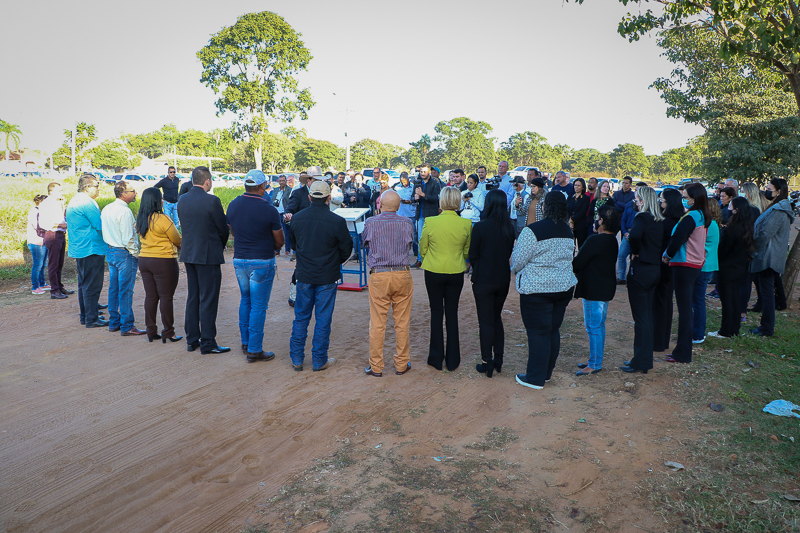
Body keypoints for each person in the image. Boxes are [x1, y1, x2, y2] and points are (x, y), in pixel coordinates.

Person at [512, 192, 577, 389]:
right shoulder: (567, 230)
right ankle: (546, 374)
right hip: (563, 288)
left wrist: (516, 270)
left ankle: (535, 378)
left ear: (544, 208)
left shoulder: (532, 230)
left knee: (538, 333)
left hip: (537, 290)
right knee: (552, 331)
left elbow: (518, 262)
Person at [288, 181, 353, 371]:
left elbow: (294, 245)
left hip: (305, 275)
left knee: (301, 318)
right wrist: (333, 261)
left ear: (309, 197)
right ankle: (318, 360)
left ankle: (297, 359)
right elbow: (346, 249)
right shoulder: (336, 221)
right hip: (327, 276)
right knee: (323, 319)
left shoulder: (297, 219)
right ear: (328, 198)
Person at [226, 170, 285, 362]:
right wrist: (273, 248)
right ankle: (254, 349)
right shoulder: (268, 209)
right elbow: (279, 240)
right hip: (261, 260)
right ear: (262, 186)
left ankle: (246, 342)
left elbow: (233, 231)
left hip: (240, 259)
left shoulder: (233, 205)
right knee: (259, 306)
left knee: (246, 300)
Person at [177, 166, 231, 354]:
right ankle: (208, 342)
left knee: (193, 296)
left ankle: (192, 339)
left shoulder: (182, 199)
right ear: (207, 181)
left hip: (189, 253)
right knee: (208, 298)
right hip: (207, 255)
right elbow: (223, 229)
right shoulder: (212, 201)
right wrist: (220, 244)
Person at [362, 190, 414, 377]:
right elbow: (410, 245)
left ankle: (376, 366)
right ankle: (401, 363)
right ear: (399, 206)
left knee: (377, 323)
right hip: (402, 274)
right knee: (402, 322)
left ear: (380, 204)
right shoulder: (407, 222)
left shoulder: (370, 222)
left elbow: (365, 244)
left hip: (379, 275)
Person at [420, 186, 472, 372]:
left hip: (433, 270)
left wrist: (428, 258)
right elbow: (467, 250)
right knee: (452, 313)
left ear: (441, 201)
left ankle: (435, 358)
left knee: (436, 312)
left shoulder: (430, 221)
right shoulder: (466, 223)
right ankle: (452, 359)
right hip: (455, 271)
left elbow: (422, 247)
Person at [469, 189, 516, 377]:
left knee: (486, 321)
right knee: (496, 318)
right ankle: (498, 359)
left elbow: (472, 255)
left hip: (483, 279)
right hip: (502, 278)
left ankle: (486, 361)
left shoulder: (481, 227)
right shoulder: (509, 228)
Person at [663, 183, 710, 363]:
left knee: (684, 311)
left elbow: (677, 240)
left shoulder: (691, 216)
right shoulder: (701, 215)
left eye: (686, 196)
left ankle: (683, 353)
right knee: (686, 309)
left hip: (685, 264)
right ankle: (681, 351)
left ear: (694, 198)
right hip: (694, 264)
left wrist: (667, 255)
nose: (684, 199)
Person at [620, 186, 664, 373]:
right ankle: (643, 360)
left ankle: (641, 361)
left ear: (643, 200)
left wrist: (635, 251)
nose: (635, 201)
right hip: (654, 270)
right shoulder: (658, 220)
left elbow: (635, 236)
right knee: (646, 316)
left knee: (641, 318)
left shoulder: (642, 218)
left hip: (641, 270)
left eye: (637, 198)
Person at [574, 204, 620, 376]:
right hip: (605, 288)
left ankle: (594, 363)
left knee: (593, 326)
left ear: (602, 221)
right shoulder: (612, 240)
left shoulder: (595, 240)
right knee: (598, 325)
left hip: (594, 289)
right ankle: (595, 359)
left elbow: (578, 263)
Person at [749, 178, 794, 337]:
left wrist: (754, 250)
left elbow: (765, 234)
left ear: (778, 191)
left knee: (767, 294)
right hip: (768, 255)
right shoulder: (777, 207)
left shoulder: (780, 210)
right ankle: (765, 326)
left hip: (768, 257)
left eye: (769, 188)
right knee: (767, 292)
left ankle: (766, 328)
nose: (766, 190)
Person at [136, 188, 182, 343]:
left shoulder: (141, 218)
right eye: (161, 198)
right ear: (156, 201)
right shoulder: (162, 219)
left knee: (151, 297)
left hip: (144, 260)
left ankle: (151, 330)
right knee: (166, 297)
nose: (163, 200)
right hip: (163, 261)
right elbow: (177, 239)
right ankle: (168, 332)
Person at [101, 180, 145, 336]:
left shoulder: (107, 208)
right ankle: (127, 325)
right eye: (132, 191)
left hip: (111, 250)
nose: (135, 194)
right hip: (124, 252)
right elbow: (128, 238)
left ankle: (114, 322)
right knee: (125, 290)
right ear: (123, 193)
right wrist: (136, 253)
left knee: (114, 288)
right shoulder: (124, 212)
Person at [65, 175, 108, 328]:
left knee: (84, 284)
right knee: (92, 285)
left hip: (81, 248)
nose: (98, 188)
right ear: (87, 187)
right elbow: (99, 225)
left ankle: (86, 316)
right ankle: (92, 318)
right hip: (91, 248)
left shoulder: (76, 200)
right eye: (96, 185)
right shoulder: (86, 202)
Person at [710, 197, 754, 338]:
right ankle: (734, 328)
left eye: (730, 206)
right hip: (739, 267)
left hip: (727, 268)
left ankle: (726, 330)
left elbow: (723, 249)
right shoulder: (747, 226)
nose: (728, 209)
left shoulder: (733, 229)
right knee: (734, 299)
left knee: (727, 300)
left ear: (736, 210)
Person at [652, 188, 683, 352]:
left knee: (660, 303)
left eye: (662, 199)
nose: (660, 201)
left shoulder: (668, 221)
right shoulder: (677, 219)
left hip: (663, 265)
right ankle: (661, 340)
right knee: (665, 302)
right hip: (670, 266)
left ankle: (658, 341)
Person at [691, 200, 720, 343]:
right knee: (698, 300)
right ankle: (697, 332)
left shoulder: (707, 225)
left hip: (702, 266)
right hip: (709, 265)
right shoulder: (714, 224)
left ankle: (697, 334)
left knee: (697, 301)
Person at [38, 182, 72, 299]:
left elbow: (60, 218)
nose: (62, 193)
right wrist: (60, 225)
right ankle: (54, 290)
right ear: (52, 191)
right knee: (53, 263)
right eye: (60, 190)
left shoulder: (57, 203)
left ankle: (59, 286)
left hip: (60, 234)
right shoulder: (46, 204)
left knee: (59, 263)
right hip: (53, 234)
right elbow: (43, 223)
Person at [414, 163, 442, 267]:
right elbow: (413, 198)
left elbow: (435, 199)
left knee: (431, 238)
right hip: (419, 215)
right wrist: (415, 198)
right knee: (420, 238)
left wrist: (423, 195)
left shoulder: (435, 183)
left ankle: (430, 259)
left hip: (431, 215)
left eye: (424, 171)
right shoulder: (417, 183)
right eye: (421, 171)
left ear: (429, 172)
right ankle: (420, 260)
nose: (422, 173)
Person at [27, 194, 50, 294]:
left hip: (44, 241)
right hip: (36, 242)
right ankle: (35, 287)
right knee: (37, 265)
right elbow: (39, 226)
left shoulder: (42, 212)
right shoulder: (35, 212)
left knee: (43, 264)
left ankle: (42, 283)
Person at [616, 189, 637, 285]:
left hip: (637, 235)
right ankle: (622, 277)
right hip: (627, 234)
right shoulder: (629, 204)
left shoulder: (645, 207)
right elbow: (623, 219)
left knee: (635, 257)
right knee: (621, 255)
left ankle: (633, 278)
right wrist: (624, 232)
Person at [394, 172, 418, 257]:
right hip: (401, 213)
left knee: (413, 234)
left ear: (408, 179)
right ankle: (402, 251)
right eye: (402, 181)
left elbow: (416, 199)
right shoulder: (396, 187)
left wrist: (410, 201)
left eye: (405, 181)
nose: (404, 183)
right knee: (401, 234)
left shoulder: (413, 187)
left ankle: (415, 251)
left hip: (411, 213)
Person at [269, 175, 293, 258]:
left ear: (286, 181)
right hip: (276, 213)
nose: (282, 182)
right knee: (276, 231)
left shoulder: (289, 190)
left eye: (283, 180)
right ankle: (277, 250)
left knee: (286, 232)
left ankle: (287, 250)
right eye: (280, 181)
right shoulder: (275, 190)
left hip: (285, 212)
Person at [567, 177, 591, 248]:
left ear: (583, 187)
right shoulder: (570, 197)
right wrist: (569, 220)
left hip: (581, 225)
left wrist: (572, 220)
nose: (576, 187)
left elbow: (583, 211)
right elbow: (567, 209)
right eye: (575, 185)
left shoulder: (586, 198)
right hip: (570, 226)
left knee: (581, 246)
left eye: (578, 185)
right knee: (571, 246)